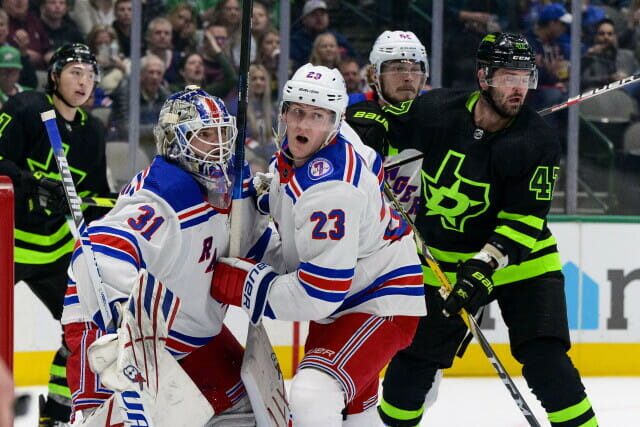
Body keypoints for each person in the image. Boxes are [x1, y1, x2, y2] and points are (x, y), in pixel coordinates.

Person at [376, 32, 598, 427]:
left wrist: (483, 265)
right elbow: (387, 124)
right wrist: (366, 124)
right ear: (484, 77)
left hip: (523, 266)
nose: (519, 89)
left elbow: (524, 220)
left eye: (525, 78)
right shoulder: (437, 110)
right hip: (443, 264)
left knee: (547, 364)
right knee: (411, 367)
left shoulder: (538, 140)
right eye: (509, 77)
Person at [211, 63, 426, 426]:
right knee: (357, 412)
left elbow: (319, 292)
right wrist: (269, 195)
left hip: (376, 300)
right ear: (283, 113)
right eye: (297, 112)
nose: (303, 125)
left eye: (317, 116)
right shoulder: (318, 147)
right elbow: (369, 164)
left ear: (336, 122)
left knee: (313, 395)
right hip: (351, 295)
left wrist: (249, 288)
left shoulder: (332, 191)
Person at [61, 86, 266, 425]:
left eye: (222, 133)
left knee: (242, 408)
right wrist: (122, 318)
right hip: (107, 328)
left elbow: (259, 246)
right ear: (174, 141)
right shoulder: (165, 193)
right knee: (106, 420)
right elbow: (95, 249)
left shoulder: (230, 184)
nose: (218, 145)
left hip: (181, 331)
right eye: (204, 136)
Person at [0, 43, 110, 426]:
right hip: (7, 243)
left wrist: (116, 212)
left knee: (81, 329)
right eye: (75, 72)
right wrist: (31, 183)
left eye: (90, 75)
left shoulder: (92, 132)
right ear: (55, 76)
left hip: (54, 247)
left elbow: (95, 196)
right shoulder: (27, 108)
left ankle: (57, 415)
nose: (83, 82)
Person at [346, 30, 428, 218]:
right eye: (398, 68)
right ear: (374, 74)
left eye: (415, 69)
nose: (408, 77)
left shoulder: (438, 113)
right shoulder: (347, 110)